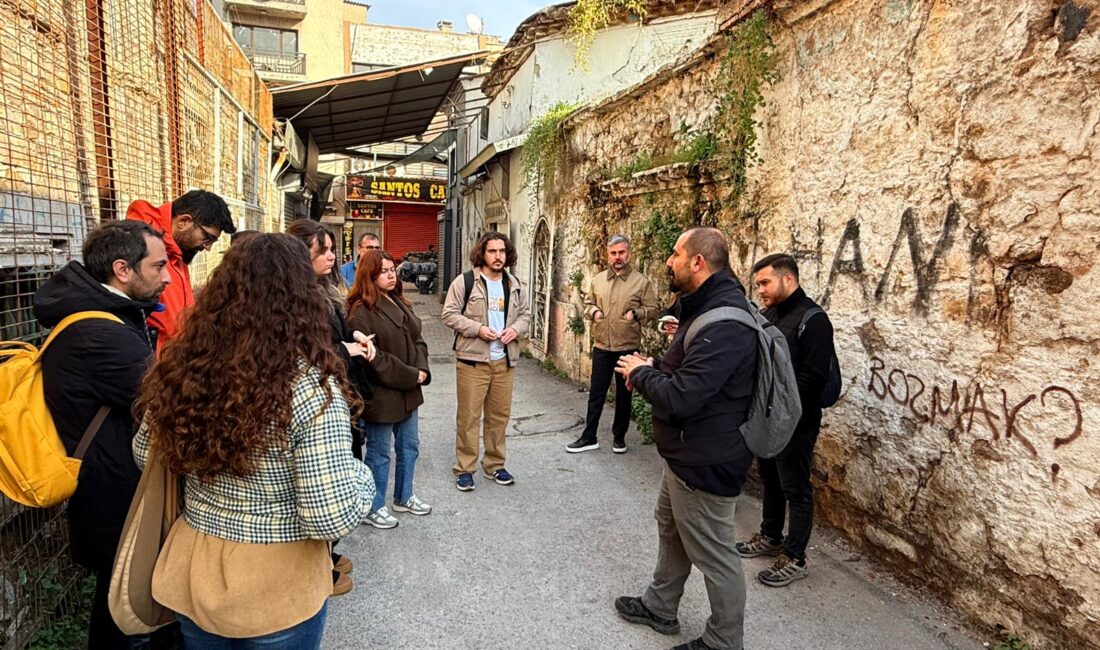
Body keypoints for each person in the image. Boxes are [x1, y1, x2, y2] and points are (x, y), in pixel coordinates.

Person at [133, 233, 374, 648]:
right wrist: (361, 475)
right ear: (304, 301)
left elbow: (144, 455)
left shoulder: (184, 370)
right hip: (276, 584)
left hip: (195, 571)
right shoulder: (310, 389)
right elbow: (329, 516)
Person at [614, 227, 757, 650]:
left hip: (706, 460)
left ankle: (723, 641)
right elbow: (688, 369)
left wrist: (641, 373)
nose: (669, 261)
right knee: (671, 527)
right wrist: (653, 363)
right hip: (685, 453)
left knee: (715, 554)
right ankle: (661, 606)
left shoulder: (726, 322)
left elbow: (683, 396)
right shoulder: (705, 307)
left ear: (698, 262)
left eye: (676, 253)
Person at [34, 221, 170, 648]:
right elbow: (172, 400)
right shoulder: (100, 335)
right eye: (159, 265)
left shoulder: (106, 318)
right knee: (123, 610)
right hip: (114, 494)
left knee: (119, 601)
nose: (167, 276)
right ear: (122, 269)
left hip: (112, 484)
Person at [735, 253, 836, 587]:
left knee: (796, 487)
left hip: (797, 420)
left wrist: (784, 409)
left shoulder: (814, 319)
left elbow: (814, 377)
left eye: (765, 282)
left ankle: (795, 557)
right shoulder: (770, 315)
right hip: (770, 418)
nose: (760, 289)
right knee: (771, 478)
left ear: (788, 279)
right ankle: (771, 535)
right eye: (758, 284)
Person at [286, 219, 374, 595]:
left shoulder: (326, 288)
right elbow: (302, 353)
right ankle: (316, 568)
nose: (331, 256)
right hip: (323, 393)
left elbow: (335, 329)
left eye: (331, 249)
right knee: (329, 476)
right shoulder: (293, 297)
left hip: (342, 389)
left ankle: (327, 554)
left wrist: (352, 336)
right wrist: (346, 350)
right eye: (321, 250)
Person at [347, 251, 432, 529]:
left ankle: (404, 496)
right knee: (380, 453)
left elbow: (417, 339)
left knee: (409, 447)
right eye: (383, 271)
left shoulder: (398, 300)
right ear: (369, 276)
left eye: (392, 269)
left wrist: (422, 370)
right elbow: (373, 358)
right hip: (383, 393)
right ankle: (374, 506)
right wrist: (411, 375)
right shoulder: (361, 311)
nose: (391, 274)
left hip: (409, 390)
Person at [441, 232, 530, 492]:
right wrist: (477, 329)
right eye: (492, 251)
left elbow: (525, 315)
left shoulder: (513, 284)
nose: (498, 256)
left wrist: (516, 329)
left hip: (504, 361)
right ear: (482, 253)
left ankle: (494, 465)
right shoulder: (465, 282)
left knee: (499, 417)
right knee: (468, 418)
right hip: (473, 362)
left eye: (502, 251)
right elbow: (449, 314)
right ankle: (465, 469)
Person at [569, 234, 657, 454]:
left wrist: (636, 313)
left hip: (627, 347)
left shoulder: (641, 282)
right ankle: (589, 436)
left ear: (629, 253)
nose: (618, 257)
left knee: (624, 395)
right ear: (607, 255)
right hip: (602, 345)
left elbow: (653, 310)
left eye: (621, 252)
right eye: (613, 253)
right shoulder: (598, 280)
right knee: (596, 393)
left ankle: (619, 438)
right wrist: (594, 312)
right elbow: (588, 304)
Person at [125, 189, 235, 352]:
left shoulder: (178, 250)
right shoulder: (138, 245)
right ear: (184, 221)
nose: (208, 247)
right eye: (208, 238)